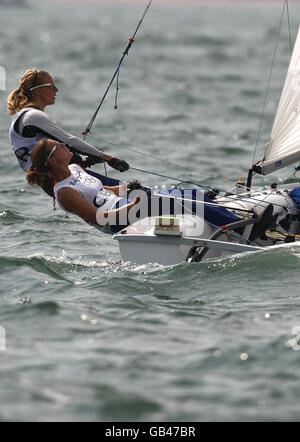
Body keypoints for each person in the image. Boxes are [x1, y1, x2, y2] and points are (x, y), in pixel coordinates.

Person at [7, 68, 129, 196]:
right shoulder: (33, 116)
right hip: (61, 179)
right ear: (38, 91)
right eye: (51, 86)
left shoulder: (22, 116)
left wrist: (84, 161)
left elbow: (46, 151)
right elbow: (69, 140)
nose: (56, 90)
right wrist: (108, 158)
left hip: (56, 180)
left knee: (125, 191)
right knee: (135, 192)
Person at [26, 139, 140, 232]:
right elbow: (98, 218)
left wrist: (127, 186)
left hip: (120, 204)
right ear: (52, 160)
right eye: (58, 146)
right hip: (114, 221)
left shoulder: (75, 168)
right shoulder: (64, 191)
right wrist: (132, 206)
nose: (63, 144)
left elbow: (101, 191)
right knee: (153, 204)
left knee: (155, 195)